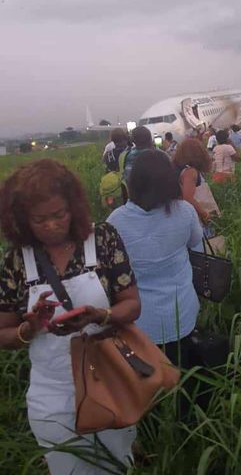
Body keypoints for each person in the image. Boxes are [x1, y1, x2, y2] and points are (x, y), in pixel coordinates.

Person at [0, 159, 141, 475]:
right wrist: (30, 327)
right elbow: (3, 333)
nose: (50, 225)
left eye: (58, 215)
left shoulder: (102, 239)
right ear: (21, 220)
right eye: (38, 220)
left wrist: (101, 315)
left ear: (73, 208)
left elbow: (132, 305)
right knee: (67, 466)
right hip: (53, 390)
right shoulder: (16, 261)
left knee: (117, 463)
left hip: (109, 377)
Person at [107, 150, 202, 361]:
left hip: (139, 322)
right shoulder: (185, 211)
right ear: (170, 180)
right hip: (183, 314)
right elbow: (196, 243)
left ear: (133, 181)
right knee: (183, 370)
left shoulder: (115, 221)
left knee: (149, 383)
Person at [173, 138, 212, 225]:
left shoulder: (177, 166)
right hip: (190, 214)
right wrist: (204, 214)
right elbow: (187, 197)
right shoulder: (190, 171)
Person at [119, 125, 155, 198]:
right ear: (150, 138)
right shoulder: (161, 155)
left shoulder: (124, 155)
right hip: (154, 197)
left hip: (131, 196)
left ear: (132, 140)